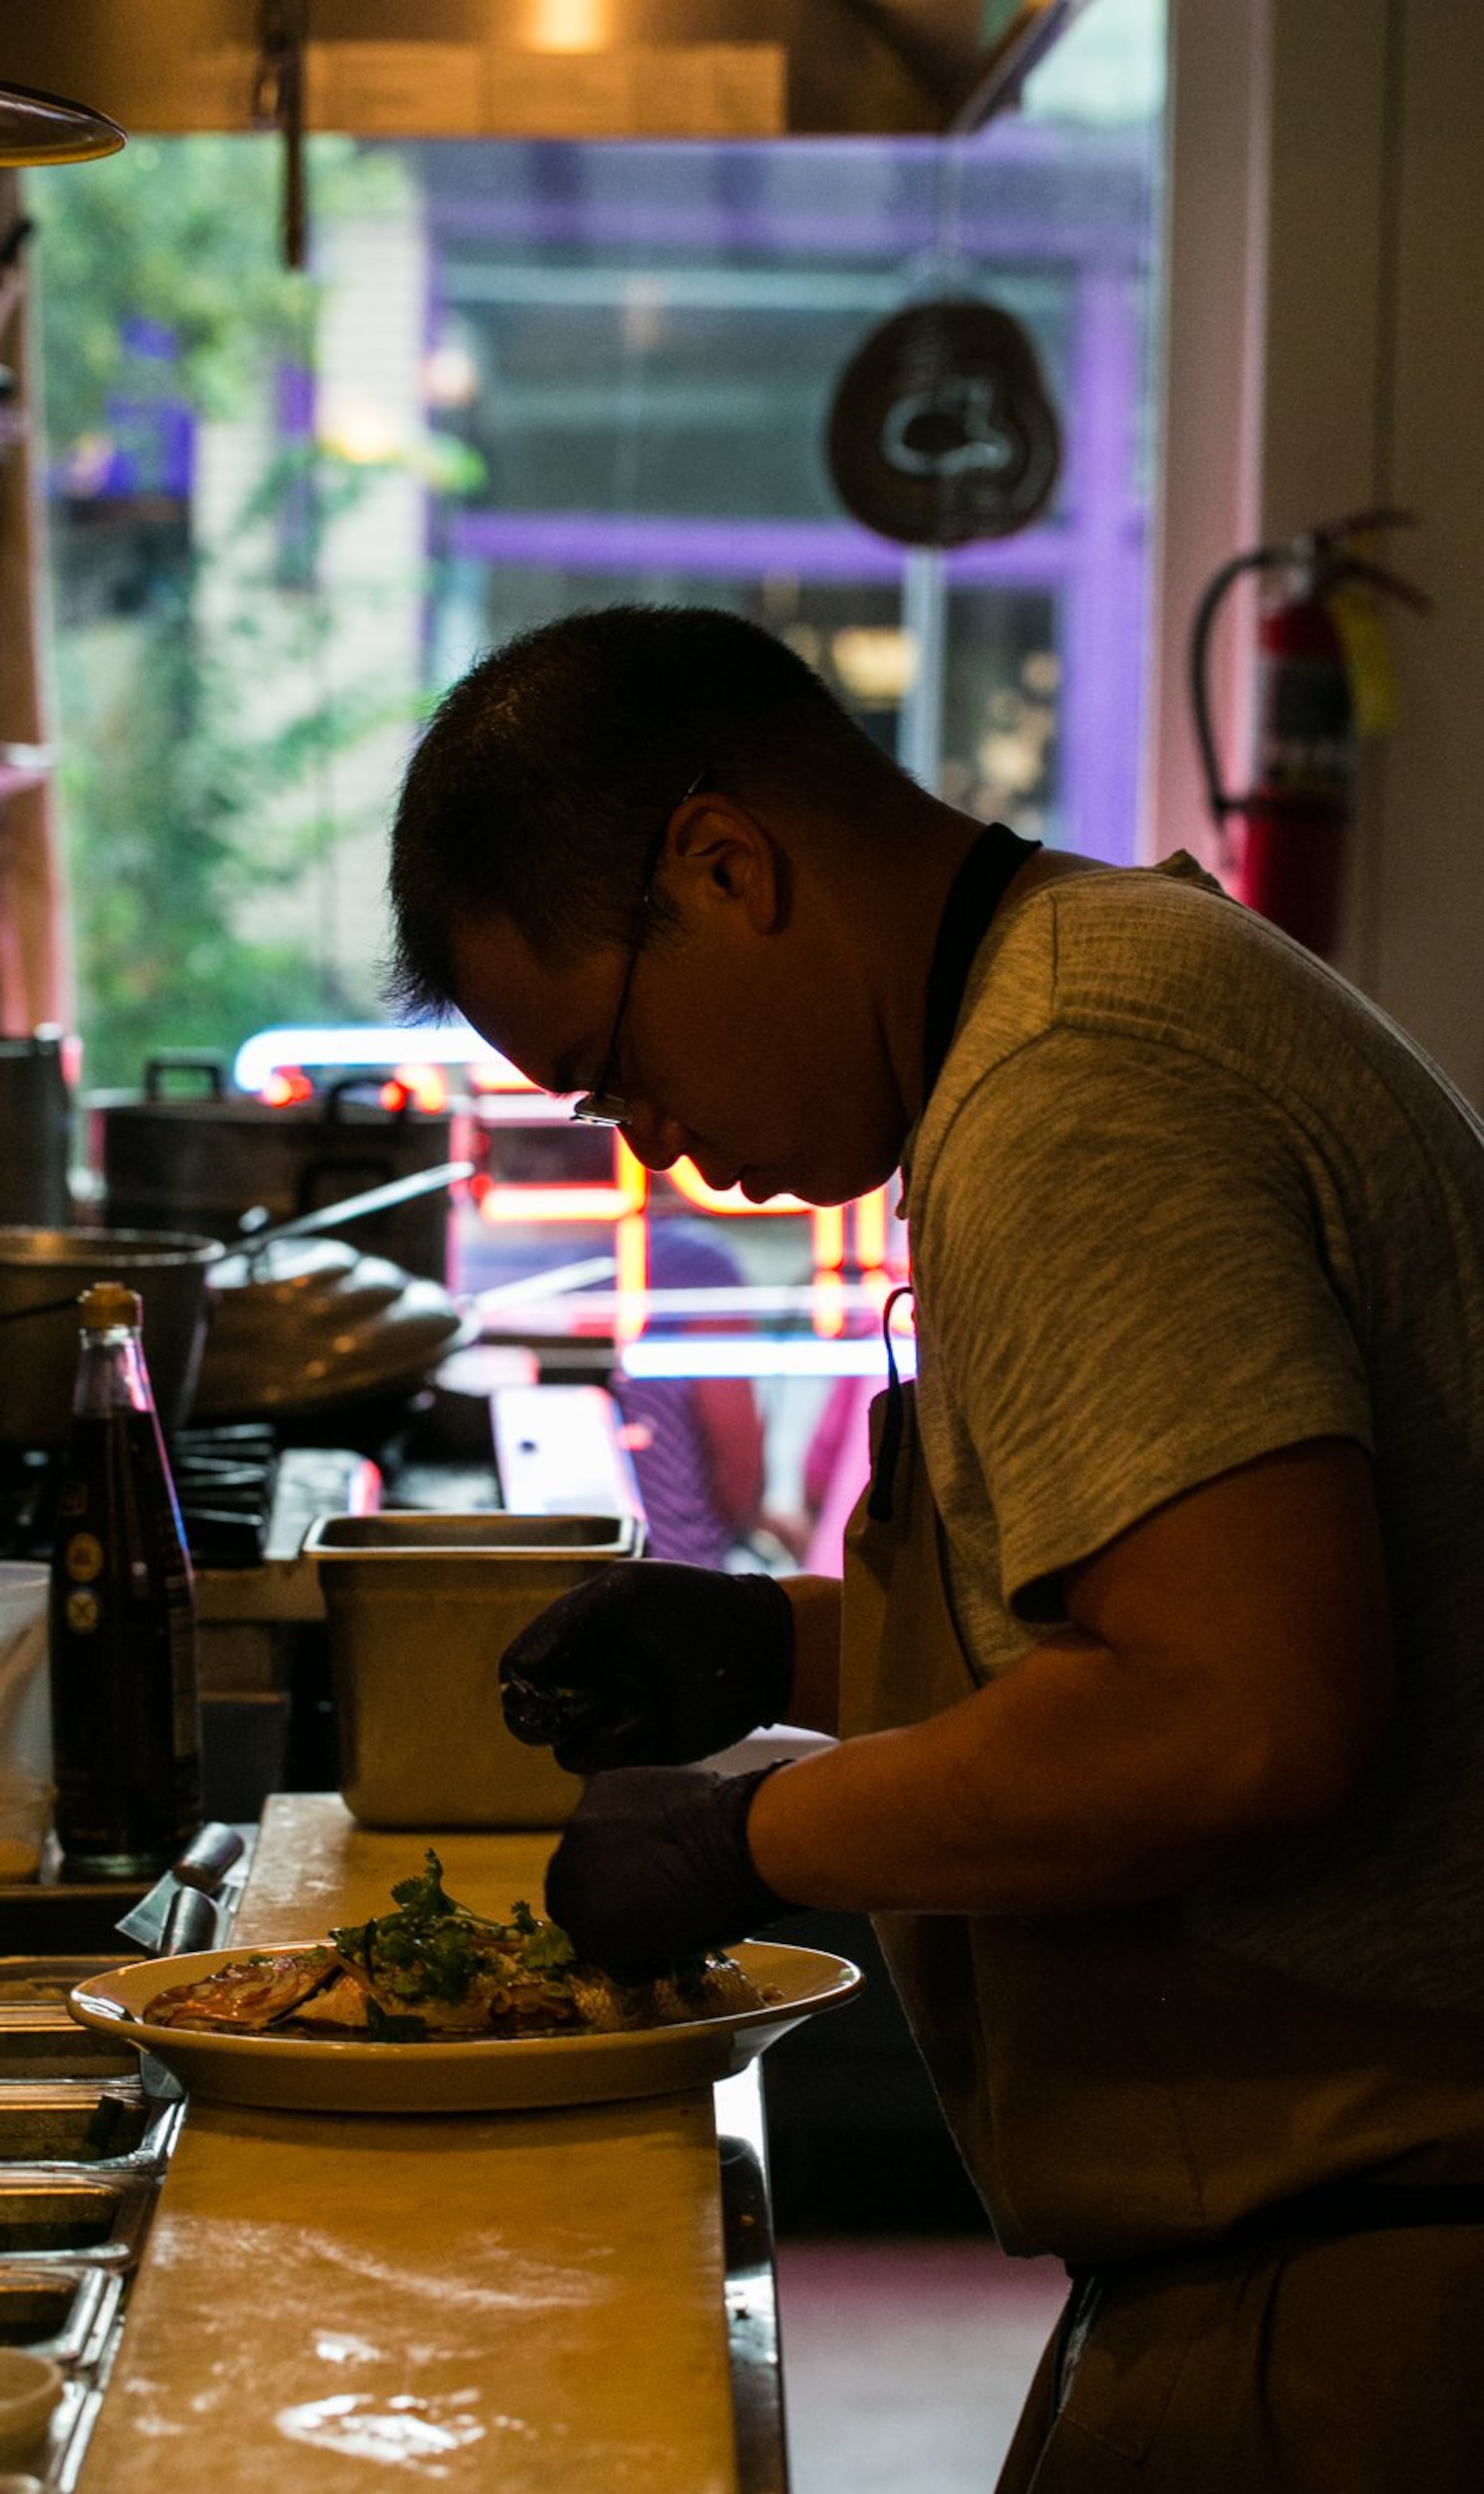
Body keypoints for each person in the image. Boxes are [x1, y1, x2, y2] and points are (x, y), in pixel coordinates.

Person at [387, 603, 1484, 2491]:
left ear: (727, 868)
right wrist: (776, 1652)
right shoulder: (1091, 986)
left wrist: (751, 1836)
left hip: (1376, 2284)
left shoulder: (1074, 1085)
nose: (649, 1144)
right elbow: (1142, 1613)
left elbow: (1241, 1715)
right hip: (1311, 2255)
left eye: (616, 1067)